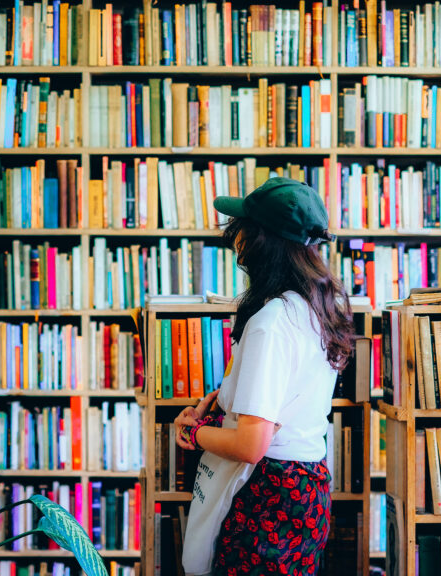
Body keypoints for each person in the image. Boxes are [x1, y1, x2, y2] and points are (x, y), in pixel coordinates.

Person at [175, 178, 357, 576]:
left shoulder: (271, 322)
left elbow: (251, 444)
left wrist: (194, 431)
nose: (236, 241)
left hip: (267, 491)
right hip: (307, 484)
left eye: (242, 231)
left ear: (260, 242)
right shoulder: (318, 308)